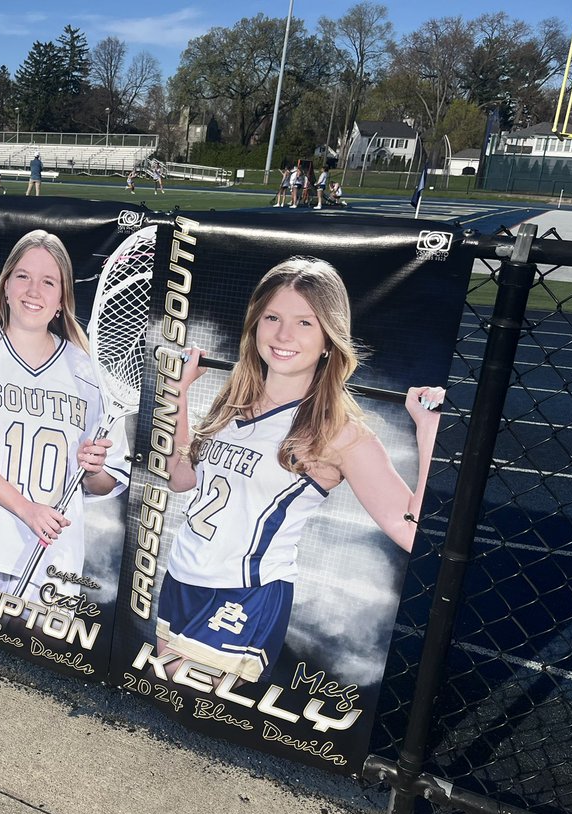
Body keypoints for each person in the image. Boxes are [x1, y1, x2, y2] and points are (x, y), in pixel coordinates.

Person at [156, 256, 445, 683]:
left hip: (247, 591)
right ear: (255, 324)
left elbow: (411, 530)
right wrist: (178, 397)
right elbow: (181, 481)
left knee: (188, 693)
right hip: (181, 576)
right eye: (272, 317)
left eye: (305, 323)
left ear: (329, 338)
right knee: (171, 702)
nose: (283, 334)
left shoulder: (339, 433)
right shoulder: (232, 401)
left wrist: (429, 435)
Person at [0, 230, 128, 600]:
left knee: (37, 656)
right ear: (6, 286)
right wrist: (26, 510)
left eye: (48, 282)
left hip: (54, 555)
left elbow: (103, 484)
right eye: (23, 276)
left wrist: (94, 470)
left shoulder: (91, 374)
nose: (33, 291)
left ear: (61, 300)